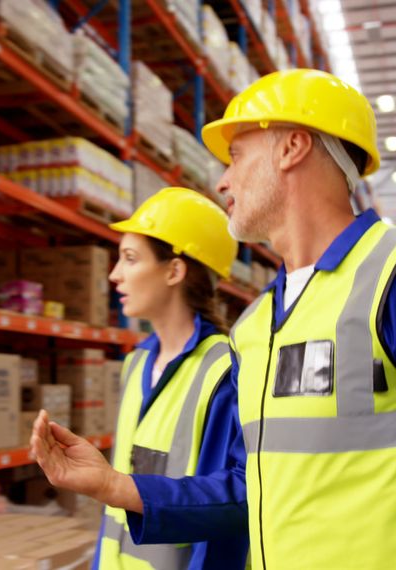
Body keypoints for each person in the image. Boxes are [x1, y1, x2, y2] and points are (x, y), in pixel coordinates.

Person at [33, 70, 396, 569]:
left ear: (292, 147)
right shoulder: (255, 329)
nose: (223, 182)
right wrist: (115, 485)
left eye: (237, 157)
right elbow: (251, 490)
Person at [50, 187, 249, 570]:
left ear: (174, 270)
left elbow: (221, 517)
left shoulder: (223, 372)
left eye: (129, 259)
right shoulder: (137, 362)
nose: (114, 274)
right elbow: (117, 499)